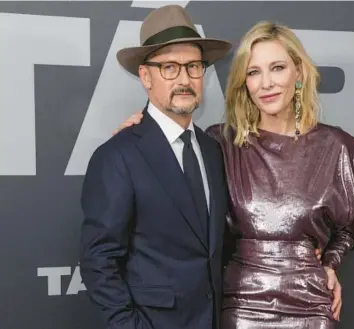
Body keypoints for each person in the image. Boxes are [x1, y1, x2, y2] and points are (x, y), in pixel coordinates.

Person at [115, 20, 354, 329]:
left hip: (310, 304)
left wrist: (329, 263)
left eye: (277, 68)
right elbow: (172, 186)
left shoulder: (339, 147)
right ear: (244, 83)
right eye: (254, 72)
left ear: (299, 72)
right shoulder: (220, 143)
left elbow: (352, 222)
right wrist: (142, 138)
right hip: (239, 304)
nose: (267, 83)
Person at [79, 5, 232, 329]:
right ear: (145, 76)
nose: (185, 79)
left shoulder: (212, 150)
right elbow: (99, 262)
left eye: (193, 66)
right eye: (169, 68)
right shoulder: (117, 156)